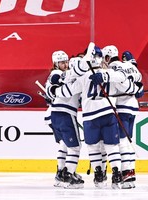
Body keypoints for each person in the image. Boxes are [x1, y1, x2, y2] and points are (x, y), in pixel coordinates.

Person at [47, 47, 140, 189]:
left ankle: (99, 175)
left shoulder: (83, 76)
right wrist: (136, 88)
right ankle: (116, 175)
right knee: (112, 146)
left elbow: (68, 91)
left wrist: (54, 91)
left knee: (94, 147)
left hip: (90, 117)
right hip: (109, 114)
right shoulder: (111, 73)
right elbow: (125, 84)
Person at [90, 47, 143, 189]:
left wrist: (105, 76)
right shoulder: (130, 65)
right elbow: (139, 81)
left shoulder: (113, 67)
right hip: (133, 106)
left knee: (122, 142)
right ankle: (130, 173)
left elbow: (121, 81)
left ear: (107, 57)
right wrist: (137, 89)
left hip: (122, 106)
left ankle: (127, 173)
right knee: (128, 140)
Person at [44, 50, 84, 189]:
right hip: (65, 113)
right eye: (62, 62)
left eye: (66, 62)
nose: (65, 64)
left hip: (56, 113)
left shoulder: (56, 74)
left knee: (64, 144)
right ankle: (69, 176)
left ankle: (60, 173)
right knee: (75, 147)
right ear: (56, 63)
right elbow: (58, 80)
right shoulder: (57, 74)